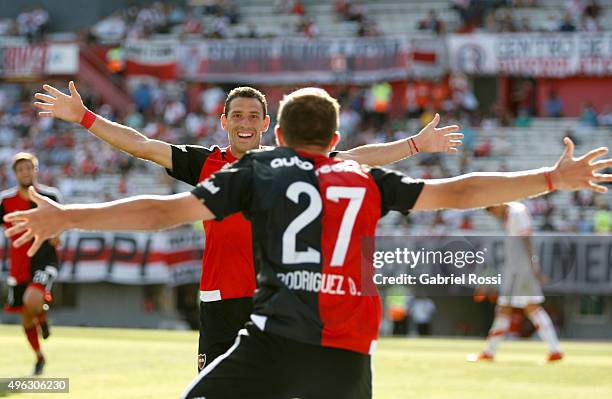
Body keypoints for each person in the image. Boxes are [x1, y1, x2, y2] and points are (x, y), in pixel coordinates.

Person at [6, 88, 611, 398]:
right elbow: (460, 191)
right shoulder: (358, 177)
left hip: (272, 333)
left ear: (277, 133)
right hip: (347, 351)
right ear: (338, 136)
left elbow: (161, 214)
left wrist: (71, 217)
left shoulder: (259, 173)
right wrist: (553, 178)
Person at [32, 82, 464, 371]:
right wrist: (86, 118)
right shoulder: (206, 163)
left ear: (266, 124)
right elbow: (143, 146)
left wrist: (415, 145)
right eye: (236, 115)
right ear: (224, 122)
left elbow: (359, 156)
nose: (243, 123)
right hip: (220, 301)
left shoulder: (288, 163)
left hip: (276, 300)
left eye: (252, 116)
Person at [468, 202, 563, 363]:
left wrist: (534, 266)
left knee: (511, 309)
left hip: (519, 271)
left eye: (490, 210)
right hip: (518, 269)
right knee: (528, 309)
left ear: (497, 205)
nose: (492, 215)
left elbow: (526, 239)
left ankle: (490, 352)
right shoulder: (514, 212)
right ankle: (554, 350)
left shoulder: (516, 212)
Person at [0, 152, 62, 375]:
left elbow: (63, 222)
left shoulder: (50, 197)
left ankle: (42, 316)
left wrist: (58, 233)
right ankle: (39, 357)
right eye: (20, 169)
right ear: (15, 174)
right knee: (26, 317)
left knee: (32, 299)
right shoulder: (5, 201)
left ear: (35, 170)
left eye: (29, 168)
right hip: (18, 264)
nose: (25, 172)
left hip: (45, 259)